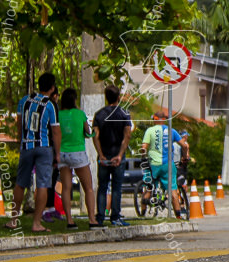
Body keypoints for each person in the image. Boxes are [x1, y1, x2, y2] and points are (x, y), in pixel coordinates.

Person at [9, 72, 60, 233]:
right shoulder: (51, 105)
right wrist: (57, 153)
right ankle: (36, 223)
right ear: (52, 88)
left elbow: (19, 123)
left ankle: (13, 220)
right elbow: (55, 131)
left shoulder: (24, 101)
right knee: (43, 184)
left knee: (20, 183)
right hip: (44, 148)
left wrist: (21, 139)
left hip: (26, 146)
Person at [56, 88, 97, 230]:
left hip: (62, 153)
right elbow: (87, 132)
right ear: (74, 100)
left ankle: (69, 220)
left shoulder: (58, 115)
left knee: (66, 188)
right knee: (88, 188)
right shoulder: (80, 114)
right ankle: (92, 219)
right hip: (78, 153)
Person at [93, 85, 133, 227]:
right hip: (118, 156)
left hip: (104, 155)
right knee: (116, 187)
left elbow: (95, 136)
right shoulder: (124, 113)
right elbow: (127, 135)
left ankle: (100, 217)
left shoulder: (99, 114)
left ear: (106, 97)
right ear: (118, 97)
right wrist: (120, 155)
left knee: (102, 187)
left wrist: (101, 155)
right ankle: (115, 217)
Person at [141, 111, 190, 220]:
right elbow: (184, 145)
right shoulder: (172, 131)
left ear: (155, 119)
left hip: (154, 165)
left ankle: (142, 213)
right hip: (168, 165)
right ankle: (178, 216)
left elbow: (144, 147)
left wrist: (144, 158)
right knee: (173, 190)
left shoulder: (150, 130)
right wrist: (185, 156)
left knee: (148, 188)